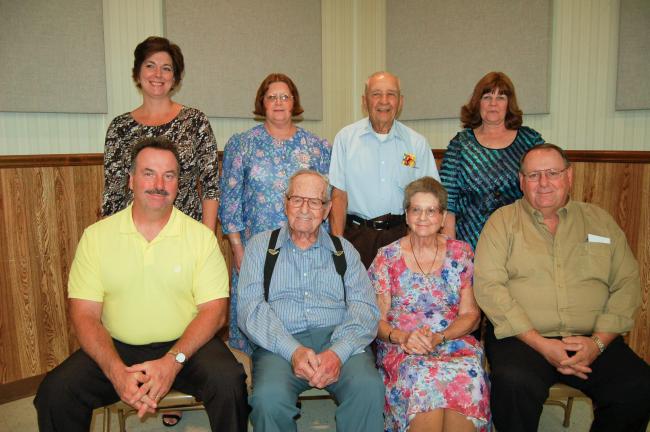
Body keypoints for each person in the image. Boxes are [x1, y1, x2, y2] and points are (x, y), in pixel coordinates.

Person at [34, 137, 249, 432]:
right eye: (149, 173)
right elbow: (84, 315)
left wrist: (173, 361)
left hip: (187, 347)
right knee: (55, 392)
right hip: (117, 347)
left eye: (169, 175)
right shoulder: (97, 237)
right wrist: (115, 372)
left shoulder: (201, 239)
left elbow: (215, 312)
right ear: (131, 180)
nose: (159, 183)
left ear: (178, 184)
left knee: (229, 383)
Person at [474, 143, 650, 432]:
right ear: (521, 182)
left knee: (638, 386)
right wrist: (542, 344)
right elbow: (490, 286)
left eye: (552, 173)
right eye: (533, 175)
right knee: (513, 384)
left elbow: (627, 284)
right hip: (523, 339)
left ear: (569, 176)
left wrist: (598, 343)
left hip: (592, 339)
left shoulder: (600, 221)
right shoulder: (502, 222)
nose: (543, 183)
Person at [237, 169, 384, 432]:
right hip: (279, 343)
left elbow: (365, 308)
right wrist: (292, 350)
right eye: (297, 199)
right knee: (268, 400)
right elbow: (250, 309)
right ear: (285, 203)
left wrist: (337, 353)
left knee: (368, 389)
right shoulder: (260, 247)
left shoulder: (344, 250)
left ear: (326, 209)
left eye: (314, 202)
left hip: (337, 338)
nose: (305, 209)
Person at [219, 73, 330, 355]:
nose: (278, 102)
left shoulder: (317, 147)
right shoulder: (241, 145)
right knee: (257, 323)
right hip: (257, 252)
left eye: (285, 96)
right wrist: (238, 250)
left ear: (294, 103)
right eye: (272, 97)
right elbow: (230, 201)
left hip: (304, 252)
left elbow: (326, 201)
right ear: (262, 103)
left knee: (301, 317)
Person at [369, 177, 490, 432]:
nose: (423, 217)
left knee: (469, 374)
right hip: (402, 345)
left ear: (443, 215)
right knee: (422, 377)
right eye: (416, 209)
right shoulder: (387, 257)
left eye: (431, 210)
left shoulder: (461, 253)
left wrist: (440, 337)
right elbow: (375, 320)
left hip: (452, 339)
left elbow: (471, 315)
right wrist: (403, 337)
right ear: (406, 214)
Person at [102, 36, 219, 230]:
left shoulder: (195, 121)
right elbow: (113, 192)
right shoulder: (119, 127)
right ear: (137, 74)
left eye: (166, 68)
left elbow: (211, 187)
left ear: (174, 78)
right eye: (150, 66)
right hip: (134, 233)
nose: (158, 74)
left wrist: (207, 238)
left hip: (186, 232)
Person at [329, 71, 439, 268]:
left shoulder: (416, 143)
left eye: (391, 94)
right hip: (356, 238)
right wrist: (338, 246)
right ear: (364, 101)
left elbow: (431, 198)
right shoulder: (345, 139)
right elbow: (339, 196)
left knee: (399, 299)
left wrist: (420, 245)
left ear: (401, 101)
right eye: (376, 94)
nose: (384, 101)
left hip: (402, 238)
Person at [440, 71, 544, 250]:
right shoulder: (460, 144)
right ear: (478, 103)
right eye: (487, 97)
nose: (493, 103)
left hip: (520, 241)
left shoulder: (530, 141)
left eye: (501, 97)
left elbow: (544, 190)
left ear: (508, 103)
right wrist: (453, 252)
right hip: (470, 244)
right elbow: (447, 202)